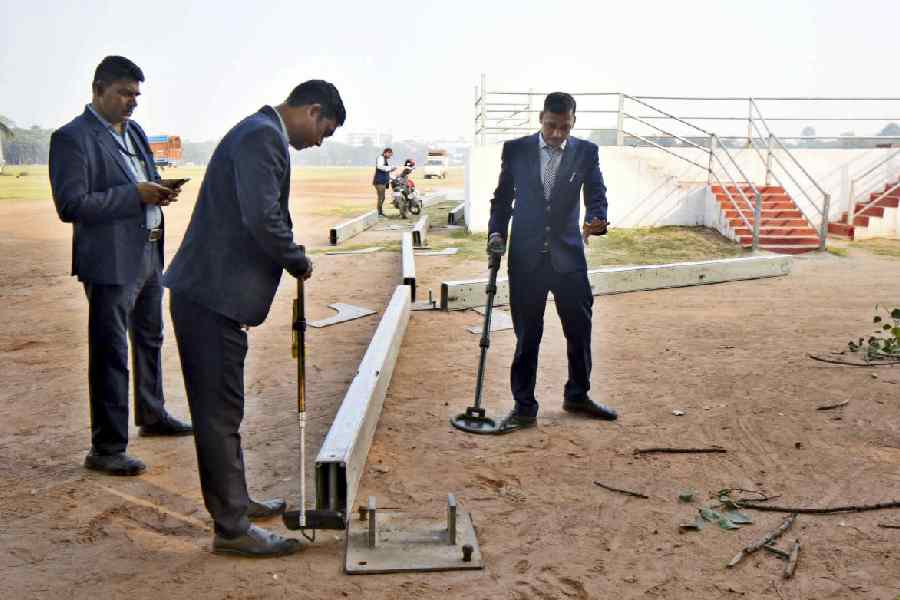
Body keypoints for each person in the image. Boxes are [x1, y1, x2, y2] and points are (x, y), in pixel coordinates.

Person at [163, 80, 346, 557]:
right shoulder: (262, 137)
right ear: (312, 110)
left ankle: (237, 500)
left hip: (212, 296)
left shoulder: (257, 132)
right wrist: (296, 258)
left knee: (227, 408)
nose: (319, 142)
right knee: (218, 414)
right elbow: (262, 217)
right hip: (210, 297)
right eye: (324, 131)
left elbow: (262, 212)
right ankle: (232, 528)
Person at [48, 55, 192, 477]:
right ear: (97, 91)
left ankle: (152, 414)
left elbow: (141, 184)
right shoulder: (72, 138)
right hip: (109, 261)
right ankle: (107, 447)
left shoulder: (135, 132)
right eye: (123, 94)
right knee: (111, 352)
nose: (131, 102)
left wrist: (158, 192)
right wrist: (136, 195)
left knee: (150, 338)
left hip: (148, 252)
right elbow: (71, 205)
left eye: (136, 95)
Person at [487, 91, 617, 434]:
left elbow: (596, 193)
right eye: (551, 126)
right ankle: (523, 407)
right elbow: (502, 200)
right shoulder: (515, 150)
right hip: (526, 258)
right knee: (527, 335)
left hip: (568, 257)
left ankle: (578, 395)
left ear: (574, 121)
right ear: (540, 118)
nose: (557, 134)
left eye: (564, 127)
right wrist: (496, 233)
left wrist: (597, 218)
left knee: (579, 330)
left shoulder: (586, 152)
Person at [372, 147, 395, 215]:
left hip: (383, 181)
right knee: (381, 197)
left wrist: (391, 171)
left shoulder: (384, 159)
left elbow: (385, 171)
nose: (390, 156)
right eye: (390, 155)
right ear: (386, 153)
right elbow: (380, 167)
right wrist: (390, 168)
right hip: (379, 181)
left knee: (382, 197)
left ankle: (379, 211)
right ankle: (379, 212)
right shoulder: (380, 158)